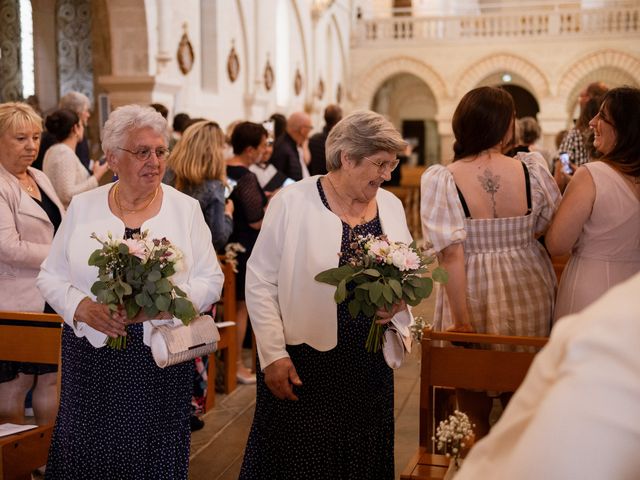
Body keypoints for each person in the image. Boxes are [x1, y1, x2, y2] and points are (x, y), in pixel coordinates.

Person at [37, 104, 223, 479]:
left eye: (160, 151)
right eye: (142, 152)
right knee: (86, 448)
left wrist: (161, 306)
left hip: (159, 356)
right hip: (91, 354)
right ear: (112, 158)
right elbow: (50, 276)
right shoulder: (84, 206)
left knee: (151, 451)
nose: (154, 161)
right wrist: (82, 307)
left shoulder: (184, 208)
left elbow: (211, 279)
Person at [239, 111, 410, 479]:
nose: (386, 175)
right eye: (379, 164)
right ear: (347, 158)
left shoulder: (391, 206)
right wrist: (271, 354)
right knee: (299, 462)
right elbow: (260, 280)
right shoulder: (293, 202)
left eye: (391, 166)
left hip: (368, 368)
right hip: (304, 366)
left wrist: (399, 302)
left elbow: (406, 271)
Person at [420, 86, 561, 436]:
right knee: (525, 404)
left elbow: (450, 252)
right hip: (528, 282)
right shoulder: (531, 169)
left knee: (472, 410)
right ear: (507, 125)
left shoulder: (444, 177)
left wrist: (461, 322)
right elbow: (547, 225)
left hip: (471, 287)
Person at [456, 272, 640, 480]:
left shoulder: (609, 332)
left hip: (477, 286)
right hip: (525, 282)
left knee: (481, 412)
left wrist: (460, 321)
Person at [546, 86, 640, 323]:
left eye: (602, 116)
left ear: (623, 128)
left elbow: (557, 244)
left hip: (592, 289)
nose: (592, 122)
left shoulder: (591, 176)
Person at [0, 102, 65, 426]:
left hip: (50, 294)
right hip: (16, 298)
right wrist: (60, 253)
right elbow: (7, 247)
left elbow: (61, 225)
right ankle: (14, 468)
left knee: (51, 379)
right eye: (20, 138)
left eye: (36, 137)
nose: (31, 146)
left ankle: (47, 459)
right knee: (16, 383)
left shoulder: (38, 176)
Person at [227, 121, 269, 384]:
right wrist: (274, 208)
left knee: (234, 307)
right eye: (263, 145)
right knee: (241, 308)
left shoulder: (223, 167)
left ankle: (232, 364)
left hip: (228, 244)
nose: (266, 151)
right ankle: (237, 367)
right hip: (243, 247)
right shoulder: (245, 175)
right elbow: (255, 219)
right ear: (251, 149)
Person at [164, 120, 234, 253]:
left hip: (161, 251)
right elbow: (217, 239)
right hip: (193, 257)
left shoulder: (165, 173)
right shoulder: (214, 186)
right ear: (214, 151)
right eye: (222, 146)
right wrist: (228, 215)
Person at [42, 108, 109, 208]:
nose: (83, 128)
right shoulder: (63, 153)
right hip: (68, 217)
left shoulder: (55, 150)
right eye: (81, 125)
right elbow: (67, 195)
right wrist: (96, 176)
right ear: (75, 128)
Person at [34, 91, 92, 171]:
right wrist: (96, 175)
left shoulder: (51, 135)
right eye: (86, 110)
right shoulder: (70, 138)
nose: (88, 114)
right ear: (76, 113)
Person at [270, 111, 313, 181]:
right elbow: (277, 181)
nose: (310, 132)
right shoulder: (283, 148)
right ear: (303, 130)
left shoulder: (290, 144)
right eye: (310, 128)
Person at [308, 104, 343, 176]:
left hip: (312, 179)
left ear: (324, 117)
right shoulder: (340, 143)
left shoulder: (313, 139)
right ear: (340, 119)